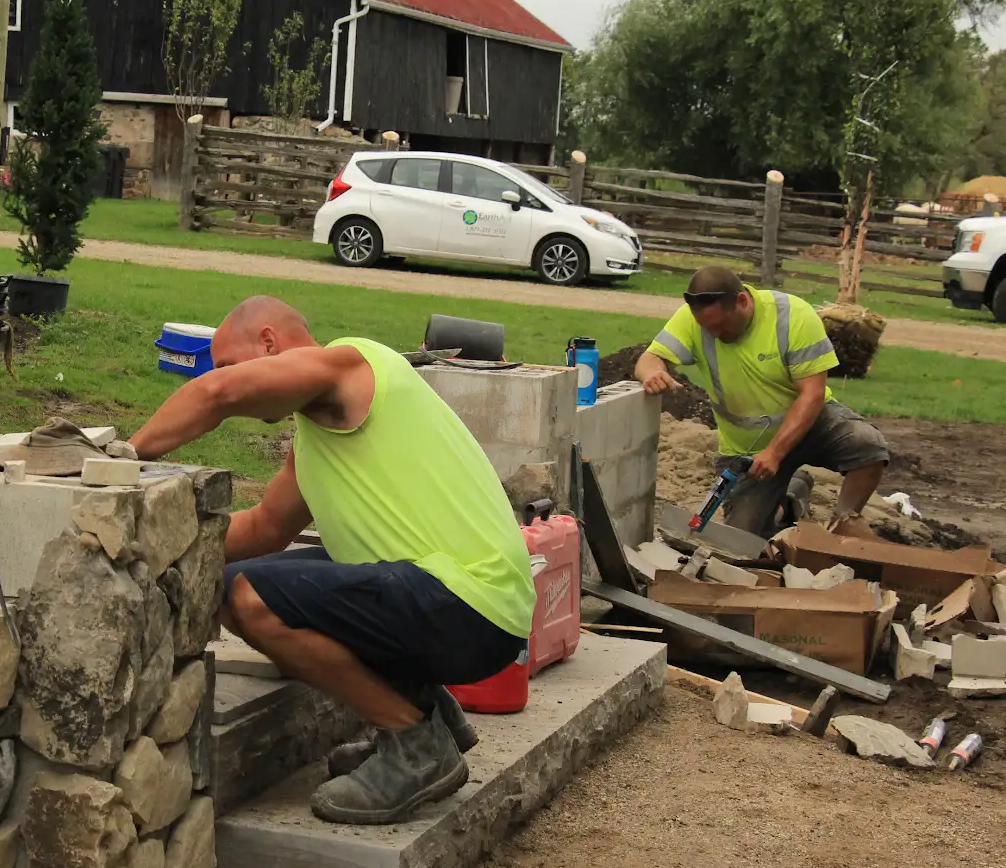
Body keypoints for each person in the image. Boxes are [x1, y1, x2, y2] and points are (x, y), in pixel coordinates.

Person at [130, 296, 535, 825]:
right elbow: (266, 529)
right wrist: (156, 544)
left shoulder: (354, 366)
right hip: (458, 608)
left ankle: (415, 744)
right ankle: (424, 709)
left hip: (468, 606)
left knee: (250, 598)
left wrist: (121, 462)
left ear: (269, 344)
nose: (226, 375)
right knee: (244, 583)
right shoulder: (320, 431)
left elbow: (217, 394)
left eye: (230, 361)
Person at [635, 266, 890, 534]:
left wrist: (776, 453)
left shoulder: (793, 315)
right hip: (747, 449)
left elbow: (812, 394)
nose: (714, 334)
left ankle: (841, 529)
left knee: (868, 445)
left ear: (742, 301)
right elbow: (649, 358)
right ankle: (791, 497)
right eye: (707, 328)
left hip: (811, 424)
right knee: (745, 534)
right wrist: (652, 373)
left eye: (720, 325)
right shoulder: (694, 319)